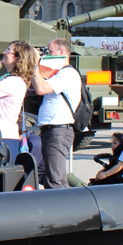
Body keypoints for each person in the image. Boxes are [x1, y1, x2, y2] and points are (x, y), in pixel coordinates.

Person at [28, 38, 81, 190]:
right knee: (55, 176)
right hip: (52, 130)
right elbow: (34, 88)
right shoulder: (58, 74)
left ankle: (61, 210)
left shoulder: (68, 74)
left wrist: (35, 64)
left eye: (50, 52)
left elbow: (41, 89)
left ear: (62, 52)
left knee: (54, 179)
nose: (47, 55)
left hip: (58, 131)